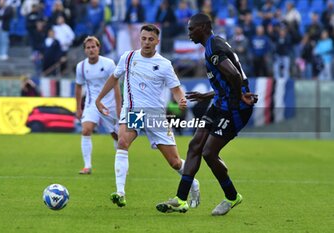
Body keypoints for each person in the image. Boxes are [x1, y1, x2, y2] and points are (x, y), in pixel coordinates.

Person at [156, 13, 257, 216]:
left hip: (234, 108)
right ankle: (181, 199)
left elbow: (235, 75)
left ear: (202, 27)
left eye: (191, 29)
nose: (189, 33)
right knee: (195, 145)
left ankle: (231, 197)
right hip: (220, 103)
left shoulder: (213, 49)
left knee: (209, 153)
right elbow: (229, 80)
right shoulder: (212, 45)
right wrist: (208, 95)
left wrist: (237, 99)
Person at [95, 24, 200, 208]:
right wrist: (99, 98)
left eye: (150, 39)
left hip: (154, 115)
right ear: (139, 39)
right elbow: (114, 77)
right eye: (143, 38)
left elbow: (176, 89)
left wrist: (181, 100)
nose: (146, 42)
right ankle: (120, 192)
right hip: (133, 112)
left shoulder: (165, 65)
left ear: (157, 41)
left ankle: (193, 182)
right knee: (122, 142)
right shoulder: (128, 58)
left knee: (175, 162)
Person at [75, 36, 121, 175]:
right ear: (85, 50)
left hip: (109, 104)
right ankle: (87, 166)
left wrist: (119, 106)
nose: (91, 50)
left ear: (98, 48)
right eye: (88, 48)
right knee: (86, 130)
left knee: (116, 136)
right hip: (92, 103)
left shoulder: (108, 64)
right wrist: (78, 107)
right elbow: (78, 87)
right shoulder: (81, 67)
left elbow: (116, 86)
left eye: (93, 47)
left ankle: (121, 164)